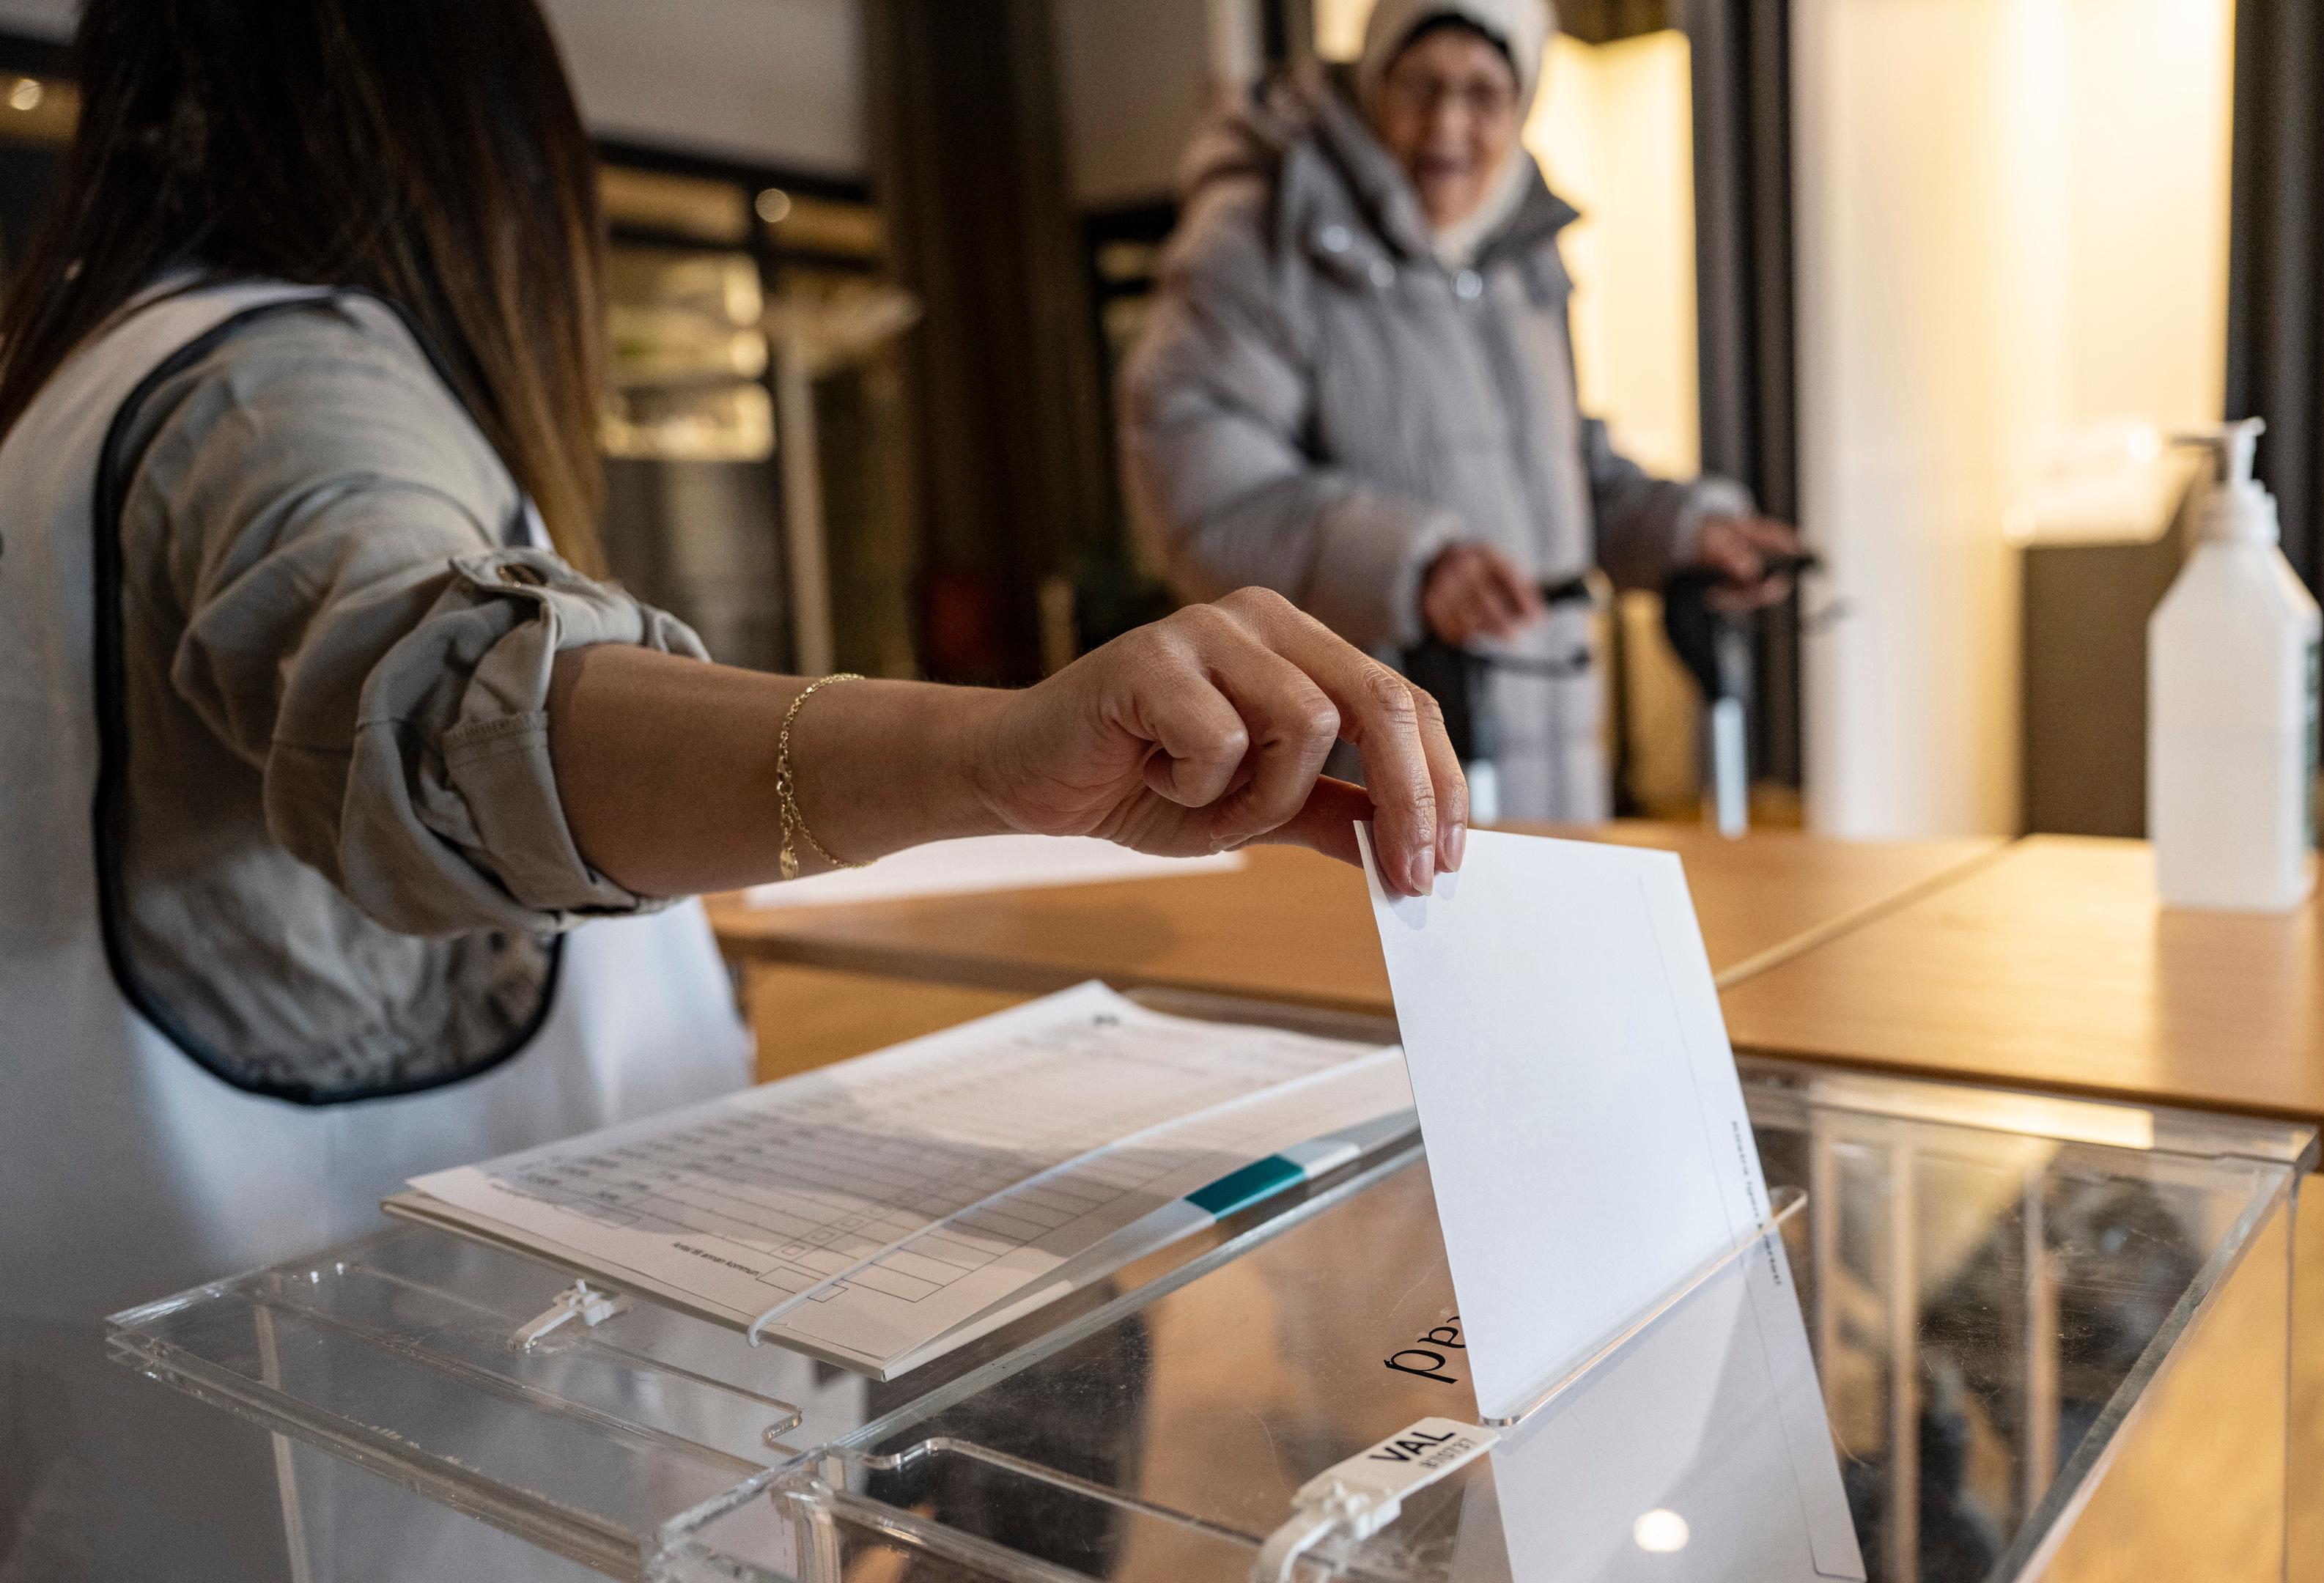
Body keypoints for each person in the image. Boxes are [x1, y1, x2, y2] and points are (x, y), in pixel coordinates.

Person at [0, 4, 1461, 1579]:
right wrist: (980, 755)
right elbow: (442, 707)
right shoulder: (280, 383)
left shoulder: (82, 390)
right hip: (389, 1430)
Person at [1120, 0, 1801, 824]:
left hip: (1551, 774)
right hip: (1354, 782)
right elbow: (1199, 488)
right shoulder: (1266, 229)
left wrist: (1686, 529)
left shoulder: (1518, 251)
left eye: (1483, 92)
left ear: (1523, 101)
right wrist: (1412, 563)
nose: (1448, 123)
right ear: (1373, 79)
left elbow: (1562, 476)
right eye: (1420, 85)